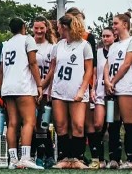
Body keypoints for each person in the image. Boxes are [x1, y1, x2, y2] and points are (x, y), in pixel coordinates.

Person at [45, 14, 95, 169]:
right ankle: (64, 158)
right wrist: (47, 87)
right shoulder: (58, 46)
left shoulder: (84, 45)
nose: (57, 29)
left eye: (58, 26)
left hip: (77, 91)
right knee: (60, 125)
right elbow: (53, 69)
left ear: (64, 27)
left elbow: (88, 71)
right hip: (59, 90)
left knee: (78, 125)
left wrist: (82, 90)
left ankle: (77, 158)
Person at [0, 18, 45, 169]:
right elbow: (32, 63)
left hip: (8, 86)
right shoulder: (28, 39)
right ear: (24, 27)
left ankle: (13, 160)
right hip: (23, 85)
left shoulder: (6, 44)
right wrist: (39, 84)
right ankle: (25, 158)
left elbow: (1, 68)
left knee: (12, 123)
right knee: (28, 121)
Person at [102, 13, 132, 169]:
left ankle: (131, 158)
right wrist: (106, 81)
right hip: (112, 88)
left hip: (126, 88)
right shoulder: (113, 45)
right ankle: (114, 158)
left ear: (125, 24)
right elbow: (107, 65)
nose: (114, 26)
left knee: (128, 124)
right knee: (113, 123)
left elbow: (126, 64)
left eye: (116, 23)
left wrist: (113, 81)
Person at [86, 27, 114, 169]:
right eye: (103, 36)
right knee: (98, 125)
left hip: (115, 92)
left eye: (108, 36)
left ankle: (115, 158)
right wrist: (92, 89)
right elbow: (95, 72)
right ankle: (99, 158)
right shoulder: (97, 52)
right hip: (101, 92)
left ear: (114, 36)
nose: (105, 38)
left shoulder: (118, 50)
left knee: (114, 125)